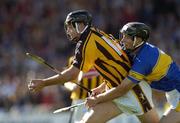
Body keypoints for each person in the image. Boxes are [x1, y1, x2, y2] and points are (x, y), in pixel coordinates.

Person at [28, 10, 159, 123]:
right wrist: (103, 87)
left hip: (133, 90)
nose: (68, 31)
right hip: (116, 90)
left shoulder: (86, 43)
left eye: (70, 27)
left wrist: (44, 83)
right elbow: (115, 63)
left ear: (79, 25)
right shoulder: (96, 34)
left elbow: (72, 74)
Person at [86, 22, 180, 123]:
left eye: (127, 37)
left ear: (138, 40)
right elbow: (123, 74)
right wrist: (101, 88)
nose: (122, 40)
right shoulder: (135, 51)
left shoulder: (144, 59)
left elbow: (123, 88)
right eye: (123, 36)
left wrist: (97, 99)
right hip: (173, 93)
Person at [64, 56, 104, 123]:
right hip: (80, 100)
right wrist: (72, 86)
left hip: (99, 99)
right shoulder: (74, 60)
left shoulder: (103, 58)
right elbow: (67, 81)